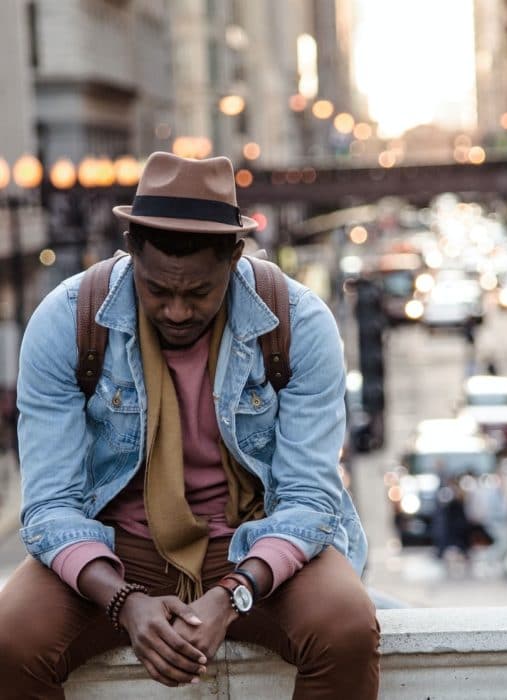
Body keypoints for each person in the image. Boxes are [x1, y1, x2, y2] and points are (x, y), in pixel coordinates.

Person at [0, 151, 380, 699]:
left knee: (345, 626)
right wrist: (123, 602)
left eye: (198, 293)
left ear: (234, 257)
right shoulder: (67, 321)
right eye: (158, 290)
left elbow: (309, 501)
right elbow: (48, 507)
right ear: (131, 252)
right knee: (11, 642)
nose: (177, 311)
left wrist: (233, 594)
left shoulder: (299, 323)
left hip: (256, 544)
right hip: (115, 549)